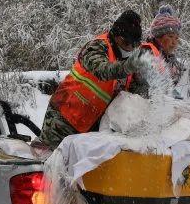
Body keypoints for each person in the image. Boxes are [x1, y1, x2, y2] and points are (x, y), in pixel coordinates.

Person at [36, 10, 146, 151]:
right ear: (116, 35)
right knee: (51, 165)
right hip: (63, 120)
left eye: (134, 45)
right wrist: (128, 67)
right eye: (126, 43)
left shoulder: (127, 61)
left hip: (91, 129)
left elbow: (135, 92)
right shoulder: (97, 46)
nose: (130, 48)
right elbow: (103, 70)